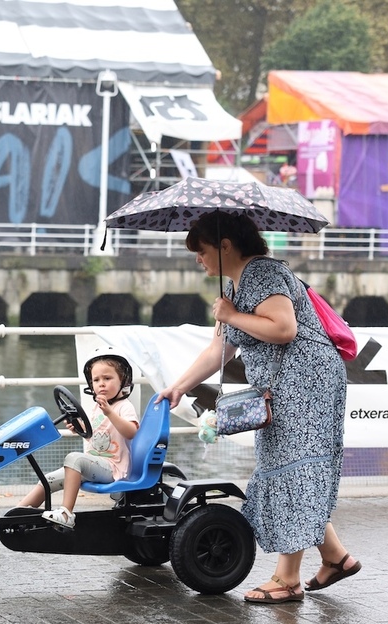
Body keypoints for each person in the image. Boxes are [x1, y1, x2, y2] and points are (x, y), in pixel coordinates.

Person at [156, 211, 360, 604]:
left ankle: (288, 580)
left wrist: (231, 315)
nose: (198, 260)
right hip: (284, 385)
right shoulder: (235, 285)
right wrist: (178, 387)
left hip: (305, 382)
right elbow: (221, 348)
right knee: (288, 468)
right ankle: (335, 558)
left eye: (201, 251)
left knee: (292, 470)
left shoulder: (263, 274)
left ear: (225, 246)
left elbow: (285, 329)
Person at [17, 347, 140, 528]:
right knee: (48, 480)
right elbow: (94, 434)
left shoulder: (123, 406)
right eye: (96, 380)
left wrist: (109, 413)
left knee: (74, 458)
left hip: (113, 468)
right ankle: (18, 513)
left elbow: (131, 432)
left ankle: (67, 514)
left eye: (107, 378)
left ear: (123, 381)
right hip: (95, 464)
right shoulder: (97, 408)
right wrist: (78, 427)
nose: (101, 384)